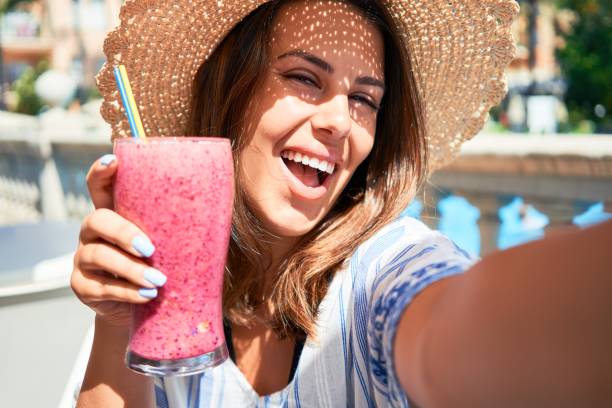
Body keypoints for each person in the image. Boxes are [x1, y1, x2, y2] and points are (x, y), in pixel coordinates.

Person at [71, 0, 612, 406]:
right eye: (304, 78)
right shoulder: (167, 286)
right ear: (230, 91)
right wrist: (118, 325)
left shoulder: (382, 272)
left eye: (364, 99)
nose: (339, 122)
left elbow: (469, 321)